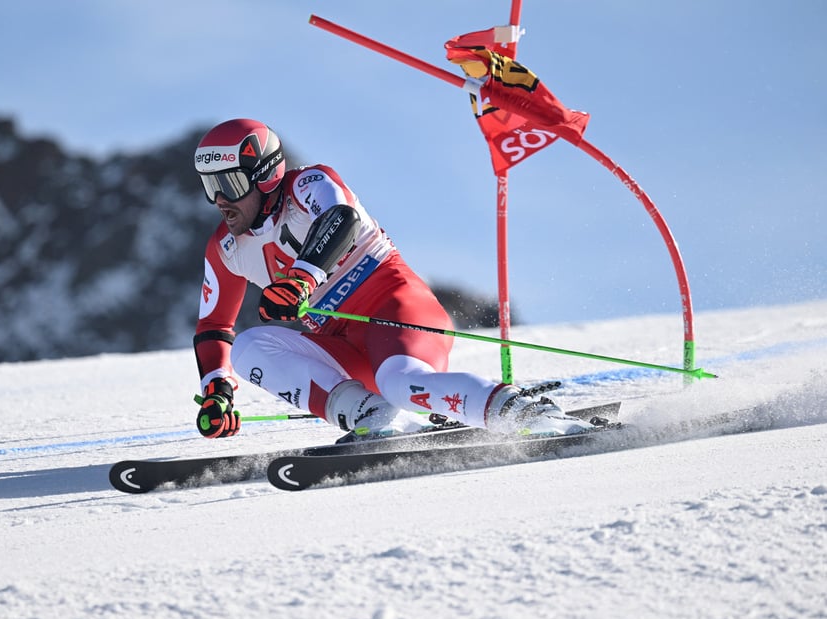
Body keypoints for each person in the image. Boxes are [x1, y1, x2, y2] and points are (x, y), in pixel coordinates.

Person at [191, 118, 591, 440]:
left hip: (396, 310)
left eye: (229, 184)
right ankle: (373, 416)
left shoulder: (308, 185)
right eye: (211, 187)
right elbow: (213, 327)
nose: (220, 200)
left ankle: (525, 412)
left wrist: (300, 280)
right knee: (247, 347)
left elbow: (339, 219)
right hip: (344, 345)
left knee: (403, 384)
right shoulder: (225, 247)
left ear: (263, 175)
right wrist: (217, 392)